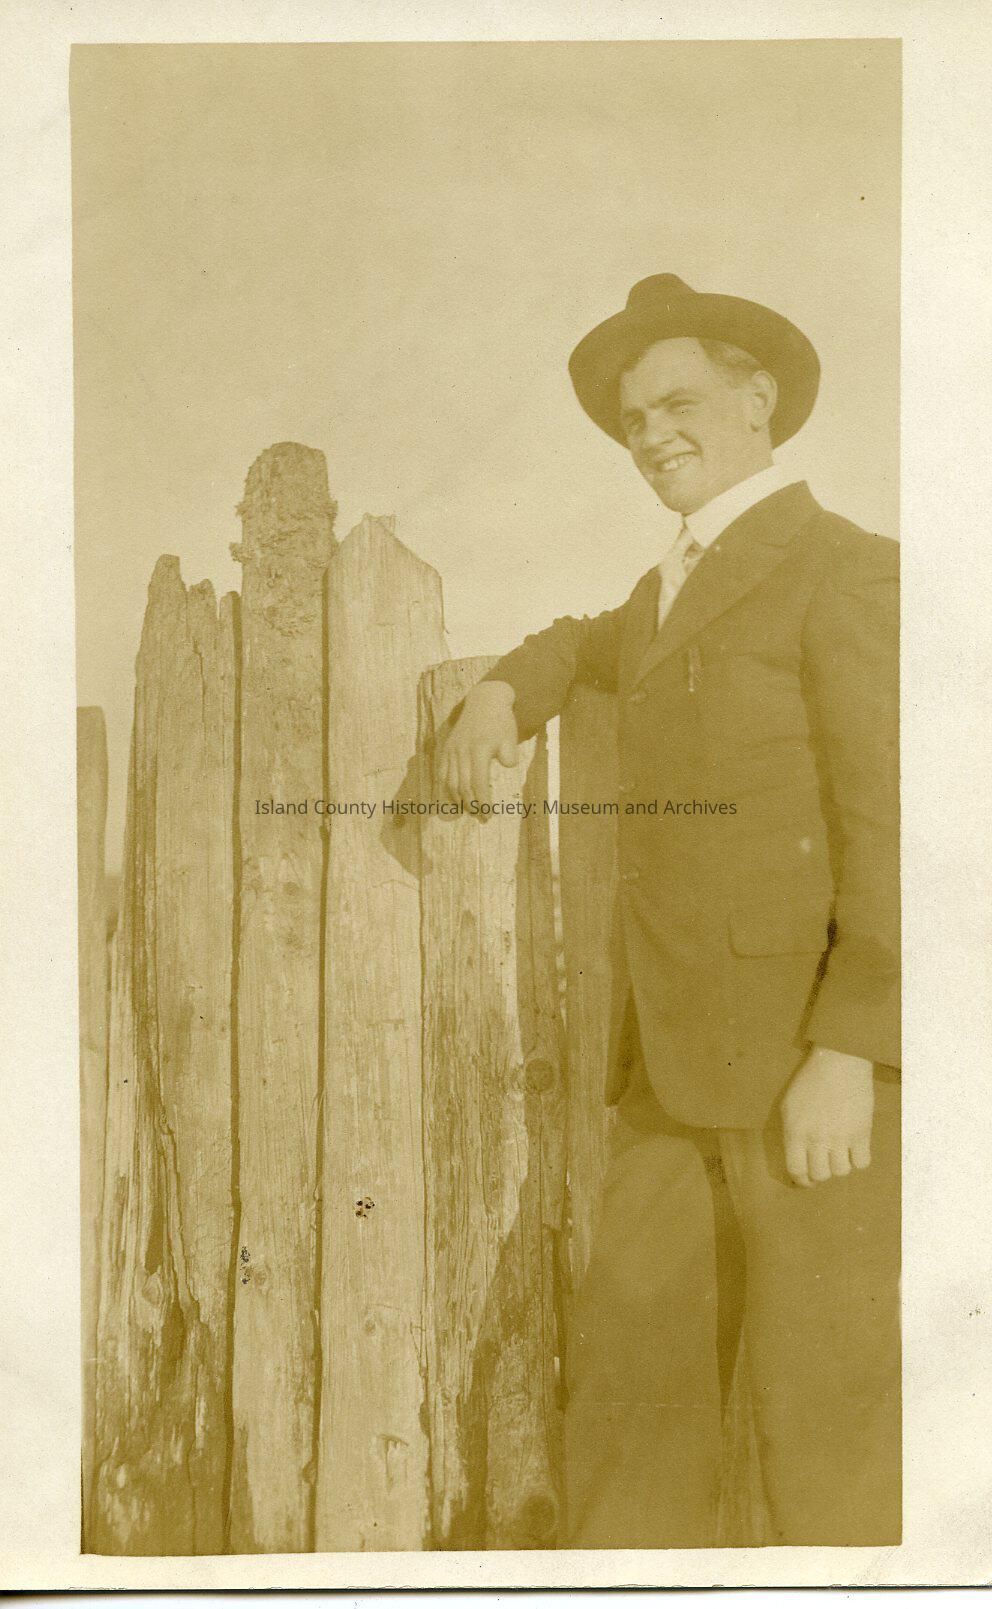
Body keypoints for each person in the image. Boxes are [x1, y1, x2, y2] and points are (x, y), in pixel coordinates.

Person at [440, 274, 900, 1547]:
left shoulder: (848, 570)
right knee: (630, 1408)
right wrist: (503, 690)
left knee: (826, 1426)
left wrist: (850, 1050)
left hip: (809, 1079)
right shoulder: (661, 595)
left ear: (758, 402)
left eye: (676, 404)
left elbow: (897, 828)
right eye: (633, 420)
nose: (650, 435)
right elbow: (584, 639)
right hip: (666, 1083)